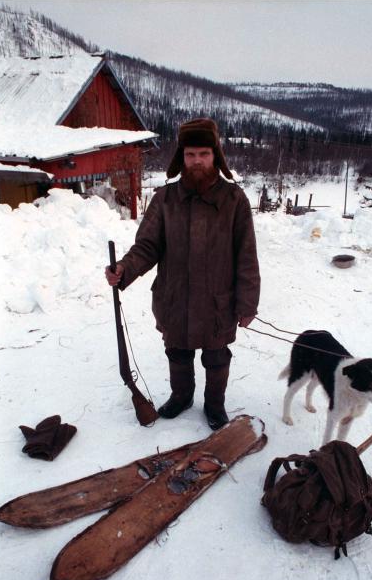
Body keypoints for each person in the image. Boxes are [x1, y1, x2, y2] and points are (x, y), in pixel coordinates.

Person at [105, 118, 260, 430]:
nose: (197, 161)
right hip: (174, 297)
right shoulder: (165, 199)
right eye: (191, 155)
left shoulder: (234, 200)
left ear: (215, 155)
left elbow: (246, 257)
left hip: (218, 301)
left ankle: (215, 405)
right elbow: (147, 246)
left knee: (216, 358)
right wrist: (124, 269)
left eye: (203, 153)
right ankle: (182, 396)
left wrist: (247, 304)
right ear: (182, 157)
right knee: (177, 351)